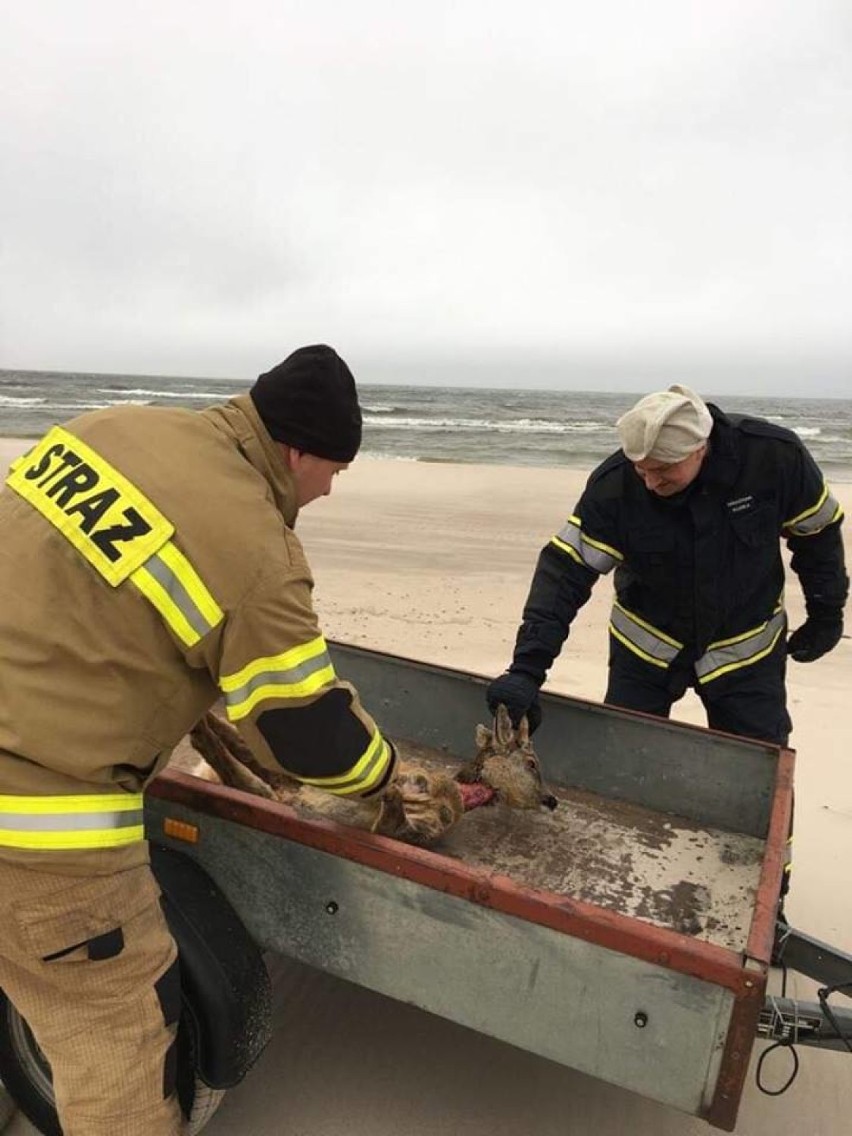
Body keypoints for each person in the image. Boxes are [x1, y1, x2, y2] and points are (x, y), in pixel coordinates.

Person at [0, 345, 459, 1135]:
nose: (325, 492)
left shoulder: (106, 430)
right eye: (333, 474)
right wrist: (392, 778)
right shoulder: (254, 549)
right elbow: (309, 736)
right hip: (38, 831)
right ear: (299, 450)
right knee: (113, 1035)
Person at [487, 384, 847, 747]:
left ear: (700, 448)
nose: (649, 481)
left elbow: (819, 535)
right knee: (625, 761)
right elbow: (566, 572)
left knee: (758, 773)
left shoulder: (775, 459)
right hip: (645, 653)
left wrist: (826, 613)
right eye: (641, 469)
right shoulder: (614, 486)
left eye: (662, 470)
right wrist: (527, 669)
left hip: (747, 656)